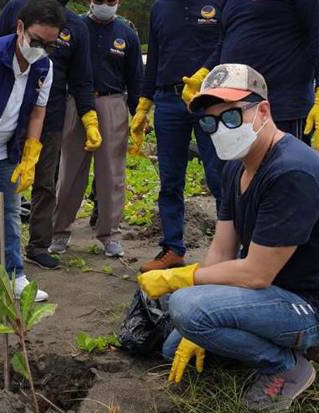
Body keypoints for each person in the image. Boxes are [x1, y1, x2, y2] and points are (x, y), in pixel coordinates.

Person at [138, 64, 319, 411]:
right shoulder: (236, 164)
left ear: (262, 110)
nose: (220, 129)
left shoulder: (292, 171)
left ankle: (287, 365)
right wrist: (198, 308)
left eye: (231, 116)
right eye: (210, 122)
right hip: (276, 290)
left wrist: (183, 279)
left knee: (187, 308)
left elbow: (254, 274)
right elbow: (222, 248)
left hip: (314, 304)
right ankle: (297, 343)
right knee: (178, 340)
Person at [0, 0, 98, 270]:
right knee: (0, 186)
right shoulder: (17, 8)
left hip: (50, 113)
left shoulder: (77, 26)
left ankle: (38, 245)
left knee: (45, 183)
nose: (42, 49)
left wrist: (88, 116)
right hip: (11, 113)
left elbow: (81, 78)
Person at [0, 0, 64, 301]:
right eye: (36, 41)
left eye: (49, 45)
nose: (40, 50)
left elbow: (38, 112)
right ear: (20, 27)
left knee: (9, 213)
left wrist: (30, 154)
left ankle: (15, 275)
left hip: (5, 149)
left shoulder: (44, 66)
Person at [131, 1, 225, 272]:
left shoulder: (220, 3)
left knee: (219, 175)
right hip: (169, 101)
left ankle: (229, 248)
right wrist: (144, 103)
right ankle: (172, 248)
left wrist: (205, 74)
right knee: (170, 179)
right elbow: (155, 59)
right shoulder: (161, 7)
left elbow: (229, 44)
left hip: (209, 99)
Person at [50, 0, 143, 258]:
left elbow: (136, 76)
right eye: (99, 0)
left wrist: (139, 114)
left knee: (111, 174)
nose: (104, 5)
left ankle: (110, 233)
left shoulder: (127, 33)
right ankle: (59, 232)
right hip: (77, 103)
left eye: (110, 1)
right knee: (69, 171)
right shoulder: (74, 26)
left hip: (112, 102)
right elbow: (59, 66)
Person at [181, 0, 319, 150]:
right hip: (234, 111)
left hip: (280, 111)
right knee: (241, 177)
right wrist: (205, 73)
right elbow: (225, 43)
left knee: (281, 175)